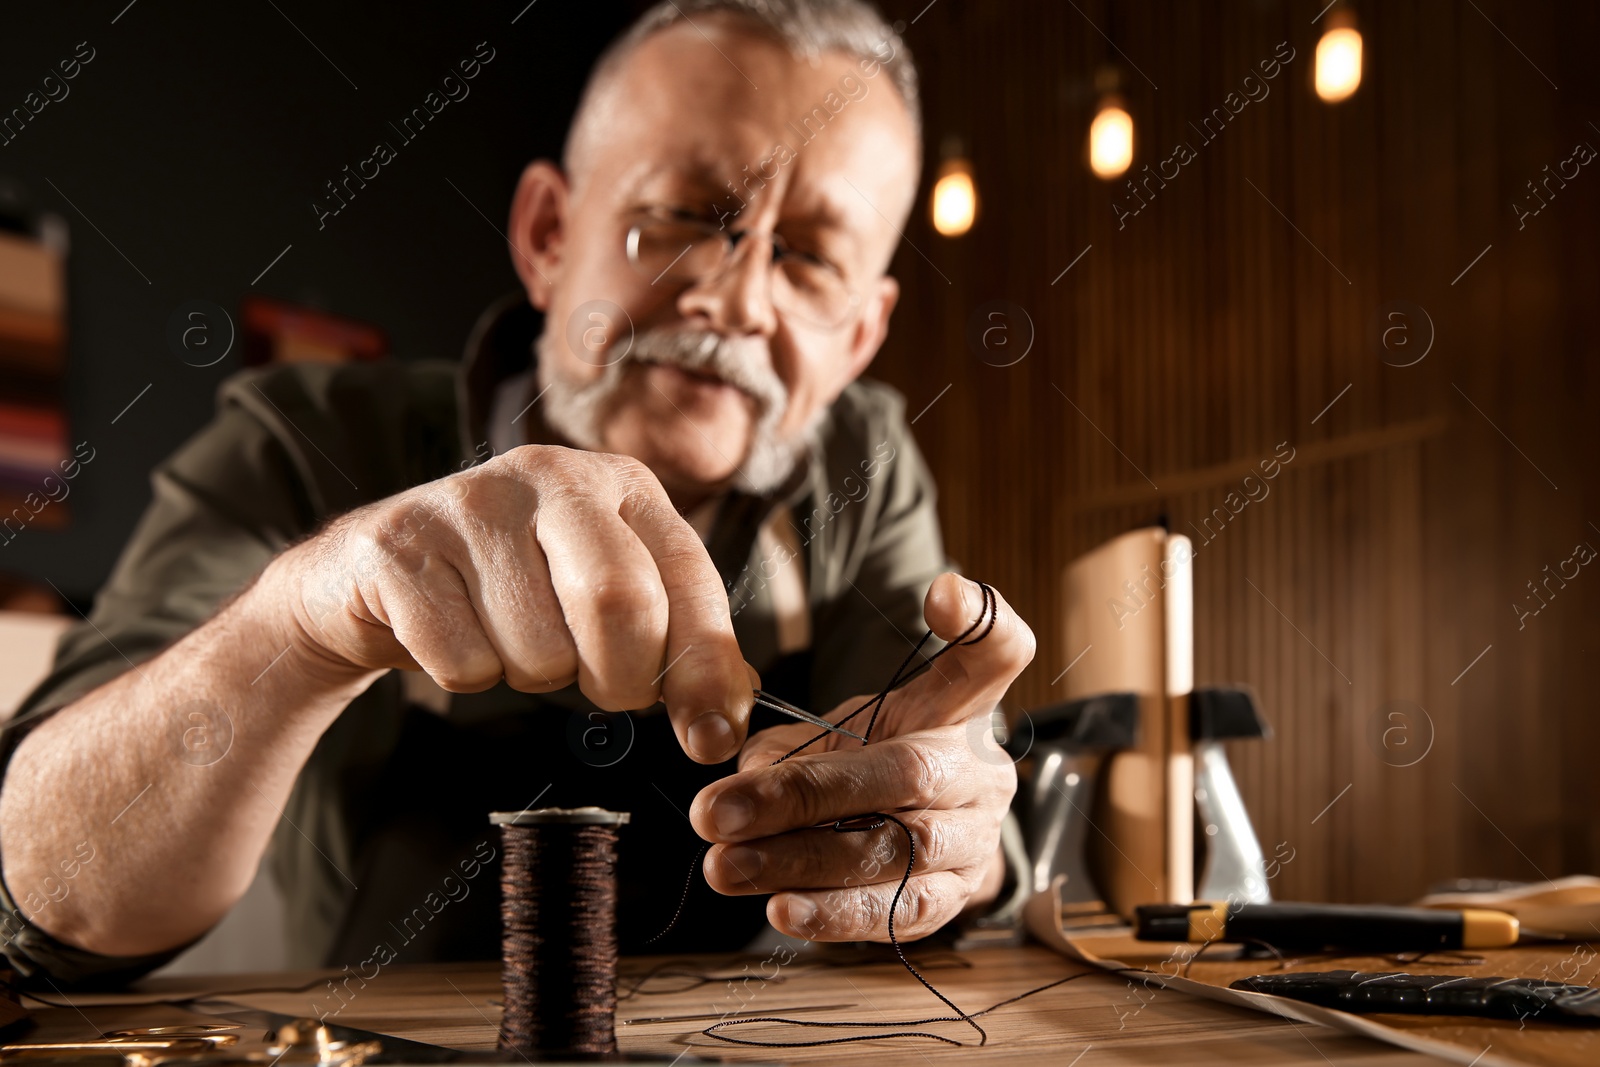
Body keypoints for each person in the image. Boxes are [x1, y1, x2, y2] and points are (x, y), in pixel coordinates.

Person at [0, 0, 1033, 987]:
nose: (734, 297)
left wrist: (958, 840)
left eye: (808, 258)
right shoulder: (304, 444)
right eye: (683, 214)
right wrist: (309, 614)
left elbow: (930, 790)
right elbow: (47, 895)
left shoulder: (869, 463)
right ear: (547, 232)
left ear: (859, 333)